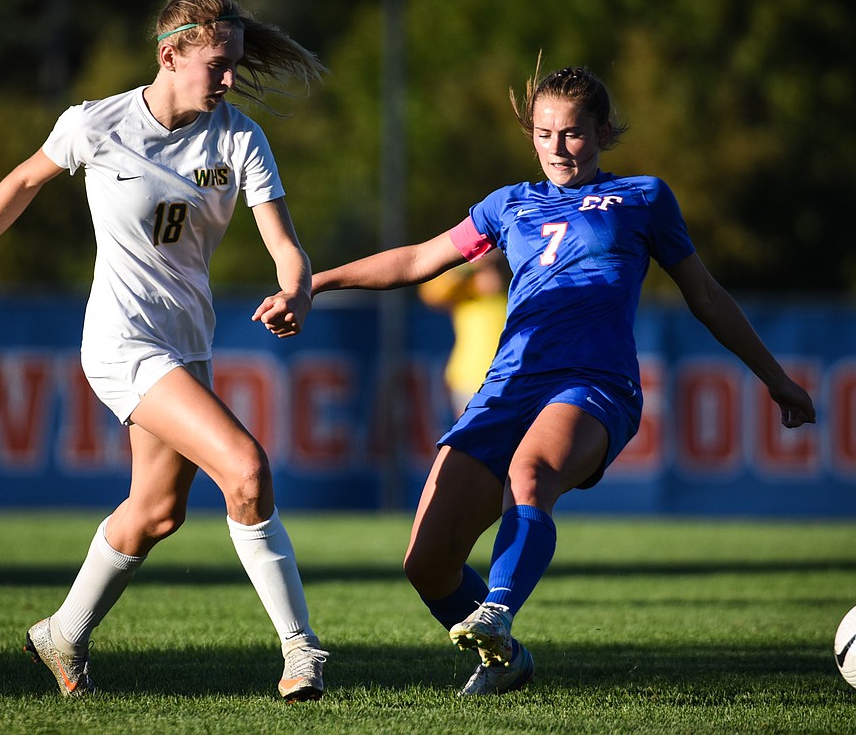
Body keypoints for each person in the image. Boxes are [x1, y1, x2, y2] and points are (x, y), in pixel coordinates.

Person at [311, 62, 817, 696]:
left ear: (603, 132)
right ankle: (507, 660)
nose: (557, 147)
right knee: (428, 565)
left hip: (594, 382)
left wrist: (774, 377)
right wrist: (314, 282)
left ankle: (495, 610)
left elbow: (707, 297)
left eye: (573, 133)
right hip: (508, 385)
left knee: (531, 475)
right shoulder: (507, 204)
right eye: (544, 133)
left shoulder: (643, 198)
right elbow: (418, 260)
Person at [0, 0, 331, 701]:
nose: (230, 79)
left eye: (234, 64)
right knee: (246, 469)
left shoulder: (237, 139)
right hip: (120, 341)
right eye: (218, 65)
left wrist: (295, 290)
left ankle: (62, 634)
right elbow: (21, 181)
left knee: (158, 512)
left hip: (185, 341)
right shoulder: (96, 124)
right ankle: (302, 650)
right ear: (170, 56)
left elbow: (286, 250)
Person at [417, 250, 510, 417]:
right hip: (472, 380)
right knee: (475, 440)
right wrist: (471, 265)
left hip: (511, 378)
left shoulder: (515, 294)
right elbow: (431, 293)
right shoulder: (466, 292)